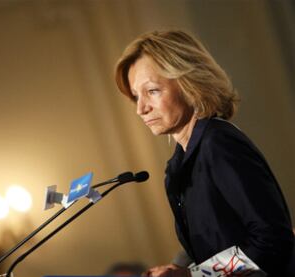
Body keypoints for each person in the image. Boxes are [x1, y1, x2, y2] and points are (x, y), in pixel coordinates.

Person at [114, 30, 294, 276]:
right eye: (136, 96)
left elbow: (272, 239)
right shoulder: (180, 163)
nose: (141, 109)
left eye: (152, 91)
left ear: (189, 83)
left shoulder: (218, 143)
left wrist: (195, 275)